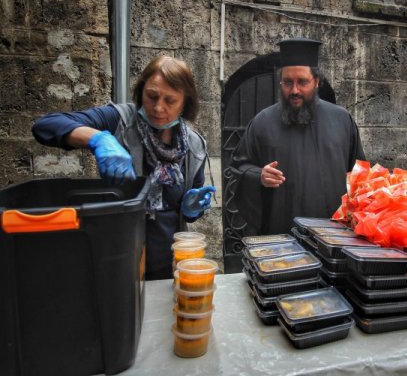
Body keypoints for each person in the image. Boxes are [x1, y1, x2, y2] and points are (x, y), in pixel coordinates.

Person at [32, 55, 216, 280]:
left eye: (170, 101)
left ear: (185, 103)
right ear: (141, 92)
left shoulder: (194, 145)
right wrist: (98, 138)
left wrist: (190, 209)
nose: (158, 107)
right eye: (152, 96)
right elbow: (44, 126)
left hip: (168, 264)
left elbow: (188, 208)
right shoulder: (118, 120)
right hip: (118, 259)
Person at [230, 37, 365, 235]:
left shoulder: (342, 120)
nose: (294, 90)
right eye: (287, 82)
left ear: (317, 81)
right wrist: (258, 175)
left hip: (335, 238)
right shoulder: (262, 122)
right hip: (280, 239)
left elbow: (360, 177)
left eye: (302, 82)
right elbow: (239, 167)